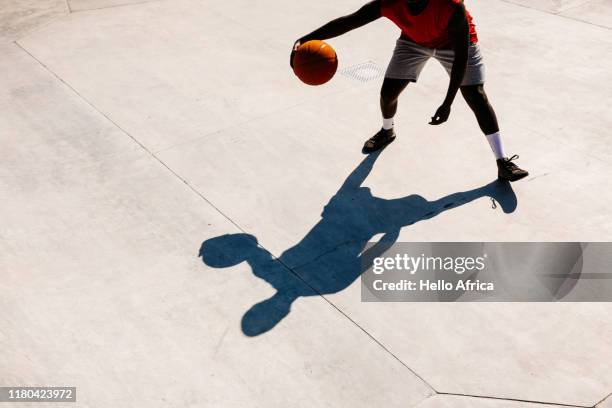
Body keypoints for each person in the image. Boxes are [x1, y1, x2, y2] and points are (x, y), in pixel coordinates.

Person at [290, 0, 529, 182]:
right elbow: (350, 21)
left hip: (454, 45)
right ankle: (387, 131)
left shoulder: (450, 5)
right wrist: (305, 38)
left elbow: (461, 58)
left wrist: (447, 102)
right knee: (388, 93)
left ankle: (502, 162)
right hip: (414, 41)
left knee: (476, 95)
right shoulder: (391, 2)